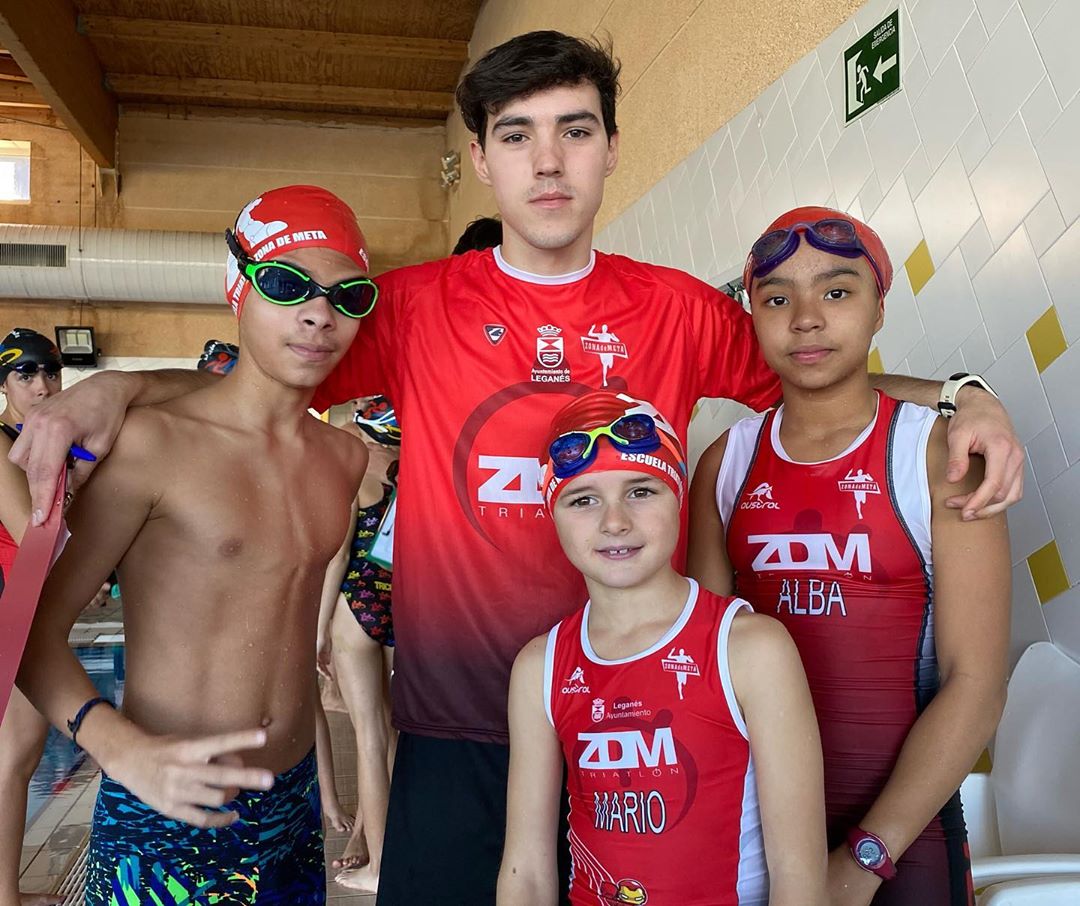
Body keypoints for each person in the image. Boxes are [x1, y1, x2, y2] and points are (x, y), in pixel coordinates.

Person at [10, 32, 1022, 905]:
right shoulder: (412, 306)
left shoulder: (677, 311)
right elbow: (269, 373)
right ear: (481, 160)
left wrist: (959, 392)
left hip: (639, 726)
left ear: (611, 149)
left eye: (574, 131)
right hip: (457, 733)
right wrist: (115, 388)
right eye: (516, 134)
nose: (548, 162)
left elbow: (822, 376)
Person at [15, 185, 373, 905]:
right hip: (164, 807)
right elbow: (24, 634)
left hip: (292, 802)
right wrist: (118, 747)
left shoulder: (345, 458)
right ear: (237, 289)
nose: (318, 313)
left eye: (348, 295)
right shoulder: (151, 446)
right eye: (286, 285)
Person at [687, 207, 1011, 906]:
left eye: (837, 292)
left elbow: (976, 685)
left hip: (907, 840)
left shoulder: (941, 456)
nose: (806, 319)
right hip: (756, 839)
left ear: (879, 308)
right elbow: (703, 676)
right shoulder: (726, 464)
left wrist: (865, 859)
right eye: (777, 299)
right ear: (753, 317)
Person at [498, 390, 826, 905]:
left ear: (678, 497)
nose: (614, 522)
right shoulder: (540, 666)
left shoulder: (750, 649)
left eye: (641, 490)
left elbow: (800, 879)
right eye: (583, 499)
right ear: (552, 513)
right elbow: (527, 872)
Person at [316, 395, 400, 894]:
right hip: (404, 605)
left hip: (357, 607)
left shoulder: (351, 467)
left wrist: (318, 629)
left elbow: (338, 555)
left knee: (369, 737)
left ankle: (380, 866)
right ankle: (377, 843)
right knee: (392, 736)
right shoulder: (416, 470)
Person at [0, 329, 65, 906]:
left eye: (50, 372)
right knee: (15, 759)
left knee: (17, 757)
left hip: (31, 608)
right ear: (4, 384)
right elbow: (34, 535)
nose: (42, 386)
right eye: (26, 374)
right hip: (13, 608)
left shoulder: (42, 442)